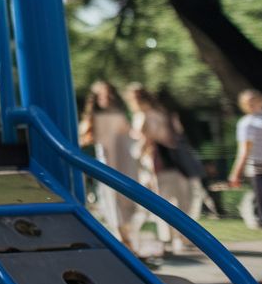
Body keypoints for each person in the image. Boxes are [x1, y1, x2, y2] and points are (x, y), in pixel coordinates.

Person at [124, 83, 194, 256]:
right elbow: (178, 133)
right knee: (179, 200)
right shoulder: (165, 113)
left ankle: (167, 240)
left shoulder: (142, 116)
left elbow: (144, 141)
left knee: (161, 202)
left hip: (156, 163)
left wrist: (135, 156)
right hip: (176, 161)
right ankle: (179, 238)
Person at [78, 80, 139, 249]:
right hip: (107, 161)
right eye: (101, 94)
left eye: (108, 93)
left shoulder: (120, 114)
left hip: (125, 160)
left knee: (127, 198)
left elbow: (130, 135)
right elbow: (84, 137)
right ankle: (123, 238)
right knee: (112, 198)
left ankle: (128, 237)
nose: (105, 97)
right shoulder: (94, 118)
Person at [229, 89, 262, 228]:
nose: (251, 104)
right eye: (248, 102)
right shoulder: (246, 123)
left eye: (254, 100)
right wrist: (236, 173)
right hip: (259, 169)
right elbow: (244, 151)